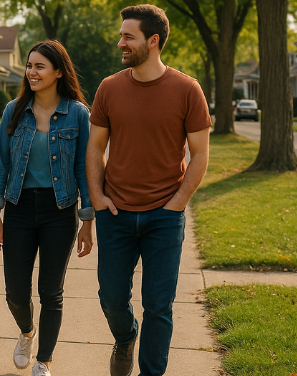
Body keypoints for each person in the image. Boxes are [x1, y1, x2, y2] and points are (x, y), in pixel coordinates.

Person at [86, 4, 211, 376]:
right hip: (116, 213)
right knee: (111, 298)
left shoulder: (187, 89)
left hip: (164, 217)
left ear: (152, 41)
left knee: (158, 305)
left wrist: (176, 204)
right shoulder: (109, 88)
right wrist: (97, 197)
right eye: (121, 35)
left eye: (128, 36)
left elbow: (200, 153)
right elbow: (95, 148)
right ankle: (125, 338)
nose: (120, 42)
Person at [0, 39, 94, 376]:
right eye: (29, 65)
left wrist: (87, 220)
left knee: (51, 291)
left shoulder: (77, 113)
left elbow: (84, 169)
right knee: (15, 292)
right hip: (18, 208)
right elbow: (0, 164)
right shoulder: (14, 109)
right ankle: (27, 332)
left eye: (39, 66)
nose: (31, 72)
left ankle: (44, 360)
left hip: (58, 210)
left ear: (58, 71)